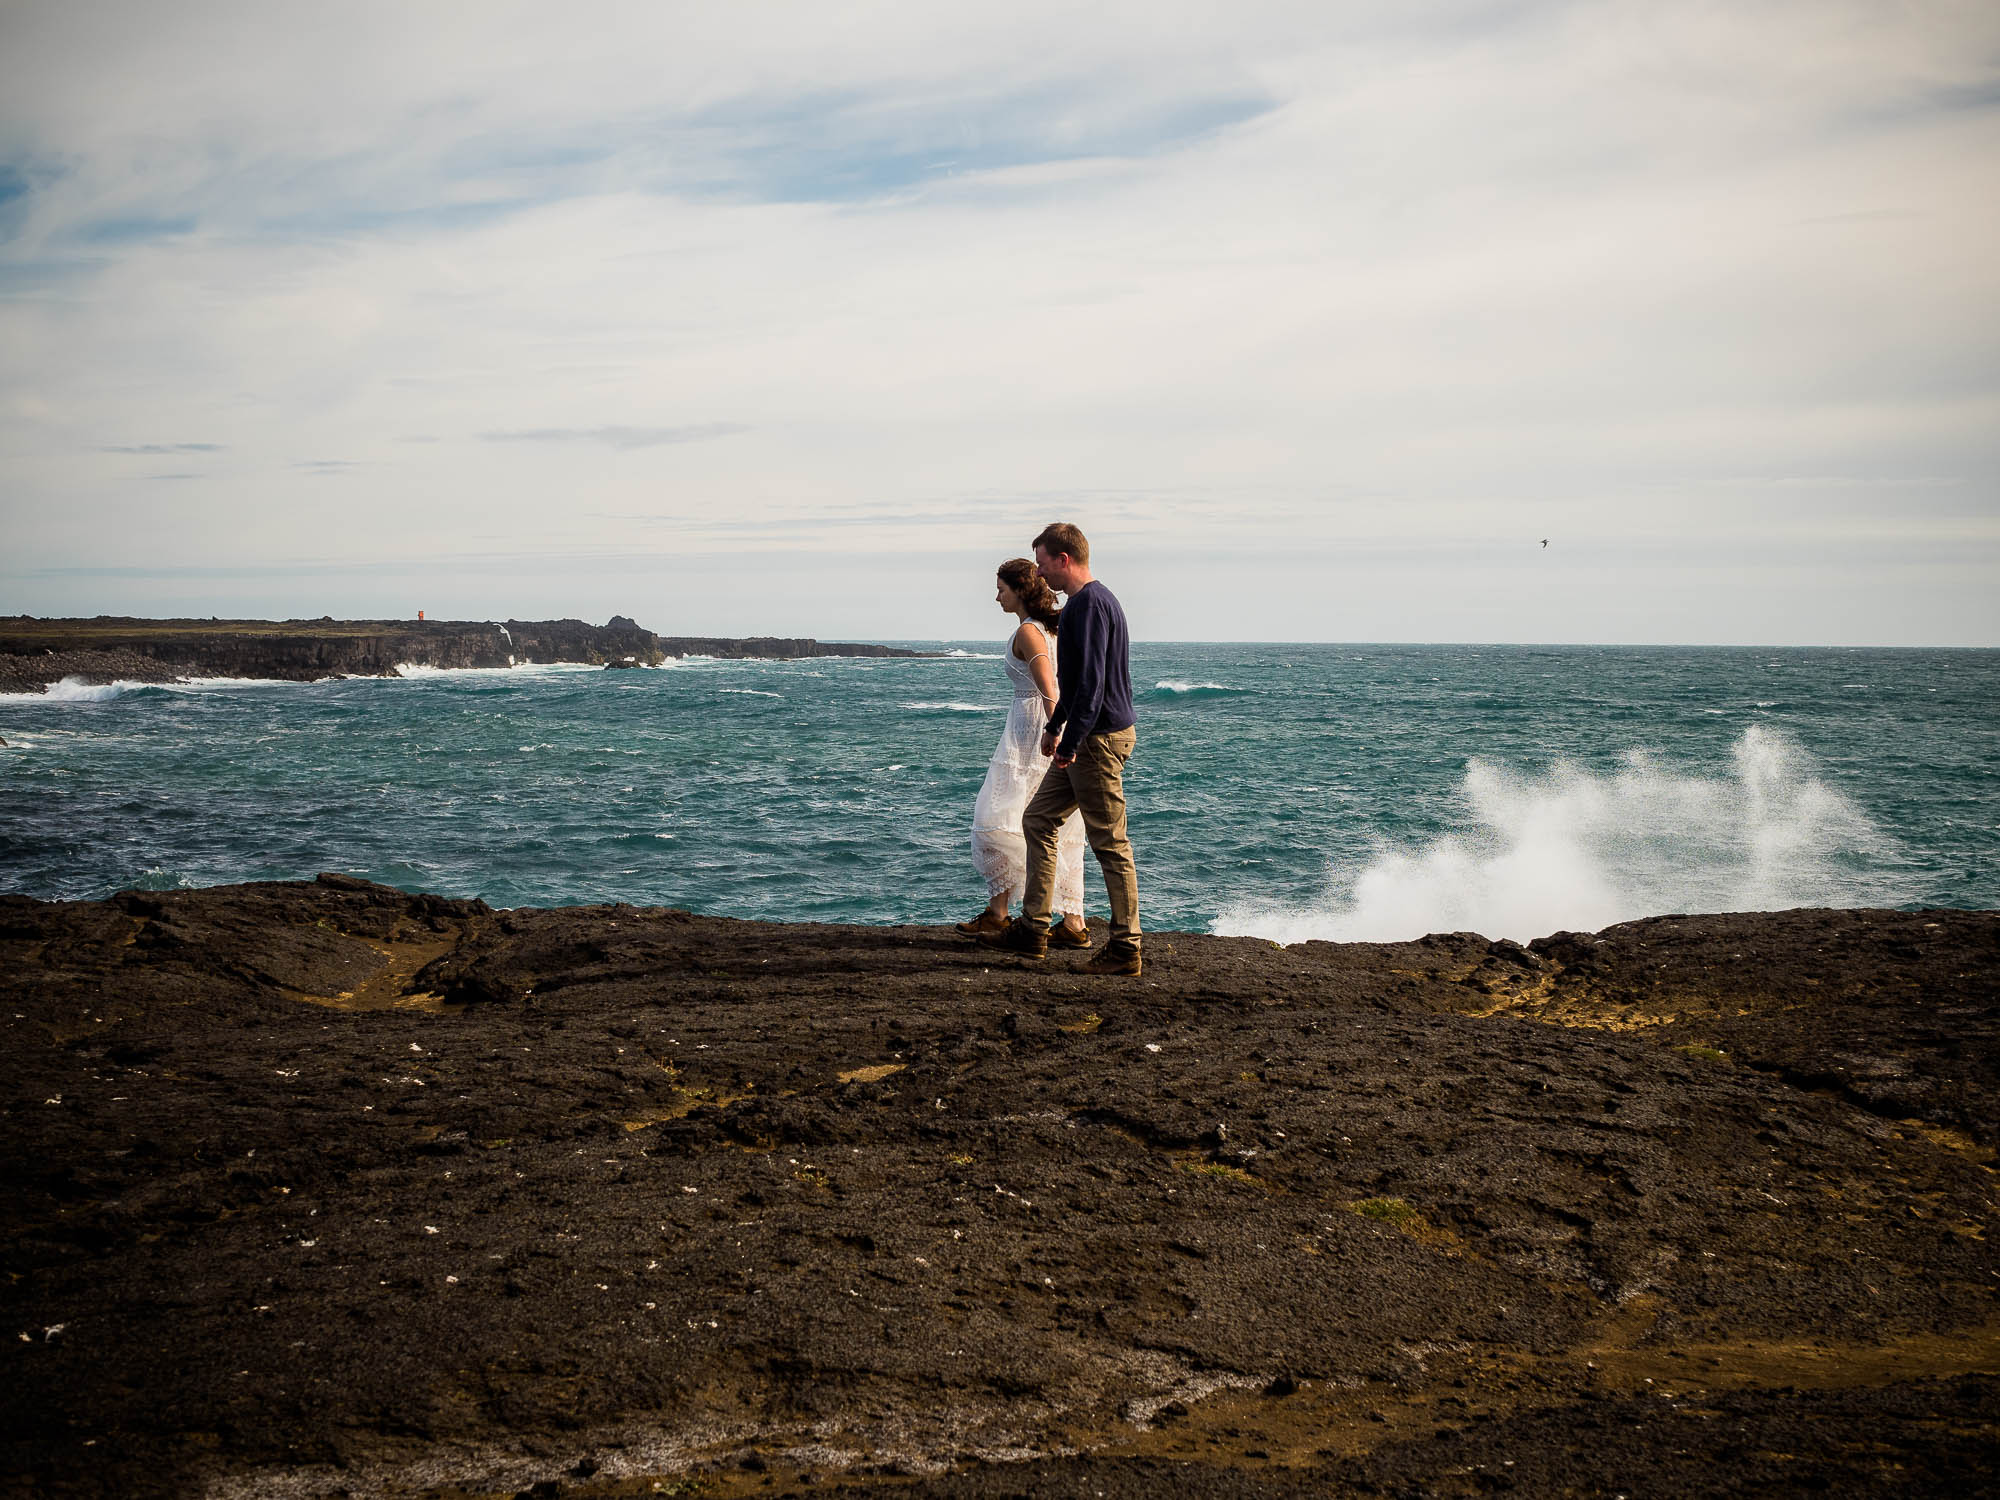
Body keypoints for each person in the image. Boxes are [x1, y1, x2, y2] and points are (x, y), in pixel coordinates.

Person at [982, 522, 1142, 976]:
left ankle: (1126, 947)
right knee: (1038, 819)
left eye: (1043, 561)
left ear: (1063, 559)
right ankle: (1033, 930)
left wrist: (1070, 742)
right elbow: (1075, 684)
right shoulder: (1093, 602)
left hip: (1097, 740)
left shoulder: (1088, 606)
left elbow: (1090, 686)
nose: (1039, 571)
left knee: (1110, 843)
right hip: (1087, 735)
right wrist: (1055, 727)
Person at [954, 560, 1091, 946]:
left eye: (1001, 589)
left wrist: (1056, 731)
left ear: (1019, 590)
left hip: (1032, 736)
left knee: (993, 819)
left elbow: (1049, 684)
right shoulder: (1050, 628)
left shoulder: (1030, 631)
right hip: (1033, 730)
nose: (996, 596)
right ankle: (1068, 922)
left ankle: (1010, 914)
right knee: (1057, 830)